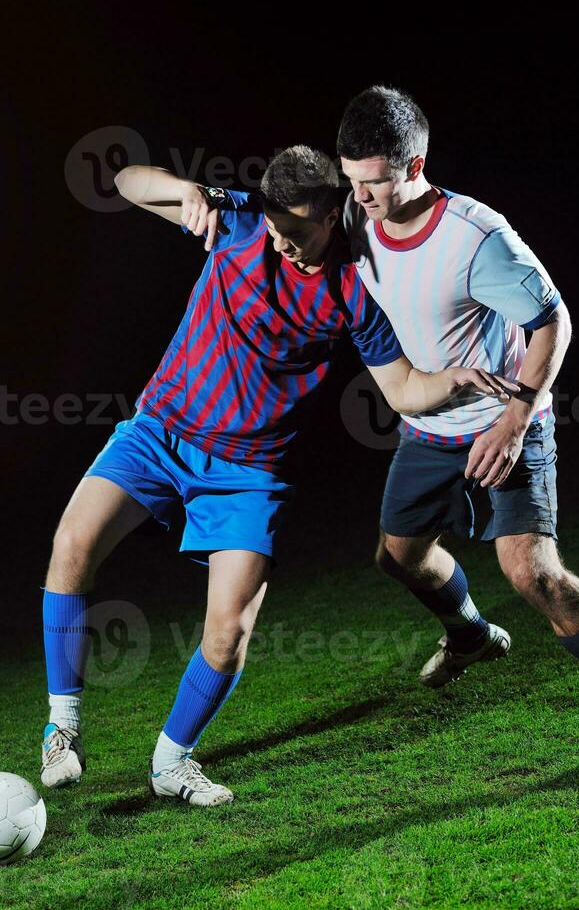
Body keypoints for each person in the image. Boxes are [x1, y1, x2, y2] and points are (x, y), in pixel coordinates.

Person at [40, 144, 516, 806]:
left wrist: (451, 382)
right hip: (161, 431)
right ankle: (62, 731)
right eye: (274, 228)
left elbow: (403, 388)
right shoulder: (235, 222)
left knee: (229, 628)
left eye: (296, 233)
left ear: (333, 216)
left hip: (248, 471)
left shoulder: (356, 286)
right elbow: (124, 179)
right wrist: (184, 191)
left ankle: (171, 765)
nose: (281, 243)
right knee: (71, 547)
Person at [337, 85, 579, 708]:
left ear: (415, 167)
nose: (360, 197)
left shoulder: (477, 237)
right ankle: (469, 634)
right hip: (429, 428)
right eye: (351, 180)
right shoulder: (359, 213)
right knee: (397, 557)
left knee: (532, 574)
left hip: (503, 422)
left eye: (376, 182)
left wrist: (518, 416)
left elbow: (554, 319)